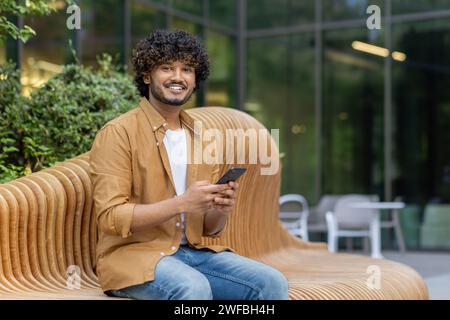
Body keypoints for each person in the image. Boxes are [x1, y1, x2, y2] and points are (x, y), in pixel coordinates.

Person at [89, 29, 289, 300]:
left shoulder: (202, 136)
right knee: (193, 289)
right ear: (147, 75)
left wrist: (221, 208)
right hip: (134, 257)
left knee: (271, 283)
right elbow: (111, 218)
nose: (178, 77)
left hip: (191, 255)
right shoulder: (118, 133)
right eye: (166, 68)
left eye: (187, 69)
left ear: (196, 81)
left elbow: (209, 227)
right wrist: (181, 203)